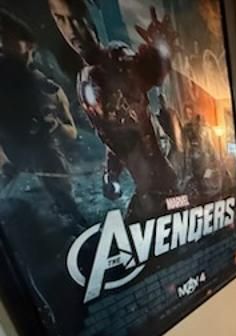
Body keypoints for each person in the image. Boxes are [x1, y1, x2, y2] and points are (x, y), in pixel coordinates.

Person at [48, 0, 181, 220]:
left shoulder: (117, 59)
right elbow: (118, 138)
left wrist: (158, 52)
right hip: (147, 191)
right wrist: (112, 172)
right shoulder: (86, 78)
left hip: (161, 188)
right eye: (60, 19)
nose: (71, 30)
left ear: (90, 17)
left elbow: (147, 72)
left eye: (76, 19)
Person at [0, 9, 83, 223]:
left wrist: (55, 125)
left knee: (67, 212)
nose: (2, 43)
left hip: (47, 165)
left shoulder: (50, 89)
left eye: (6, 37)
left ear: (29, 45)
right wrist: (5, 163)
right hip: (14, 176)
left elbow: (71, 132)